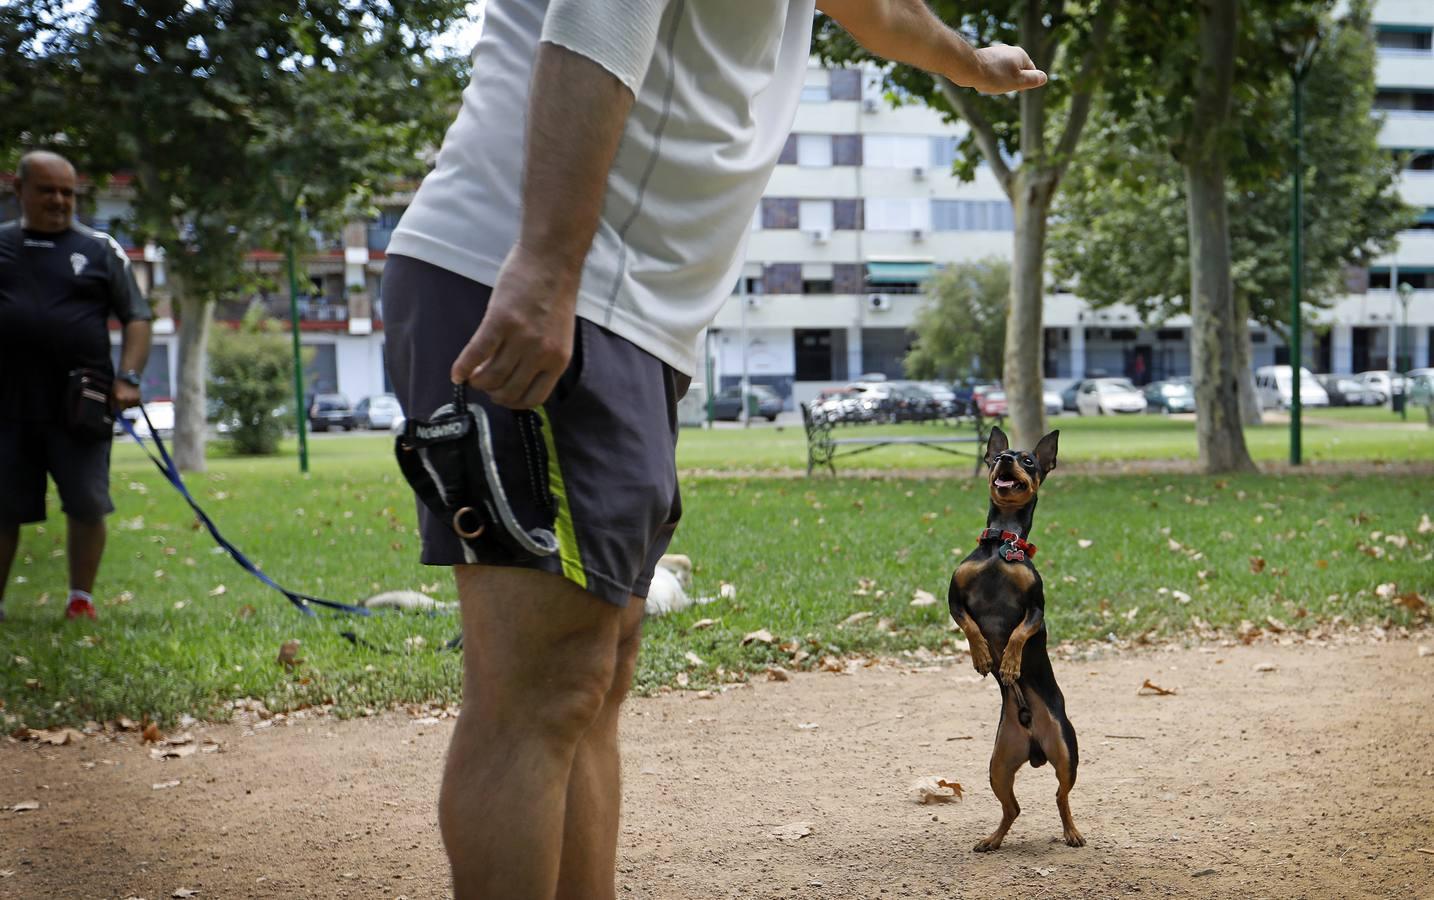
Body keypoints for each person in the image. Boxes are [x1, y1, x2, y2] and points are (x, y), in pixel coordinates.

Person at [381, 1, 1046, 896]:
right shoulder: (547, 264)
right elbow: (598, 18)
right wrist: (544, 263)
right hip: (535, 271)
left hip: (614, 302)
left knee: (593, 678)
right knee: (546, 689)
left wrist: (968, 62)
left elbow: (881, 10)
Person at [0, 150, 152, 623]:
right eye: (47, 190)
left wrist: (127, 378)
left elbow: (138, 317)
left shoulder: (101, 249)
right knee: (2, 507)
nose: (60, 200)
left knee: (87, 503)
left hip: (81, 403)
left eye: (68, 192)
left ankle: (80, 600)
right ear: (19, 191)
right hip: (7, 403)